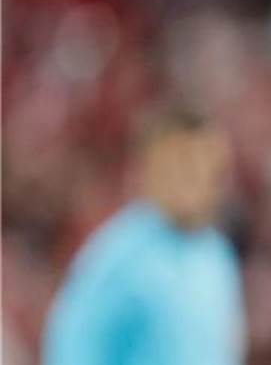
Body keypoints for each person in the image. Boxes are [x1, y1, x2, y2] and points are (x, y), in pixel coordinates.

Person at [43, 109, 245, 365]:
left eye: (206, 168)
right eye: (182, 167)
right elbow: (71, 349)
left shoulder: (216, 255)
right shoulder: (116, 258)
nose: (195, 181)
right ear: (149, 171)